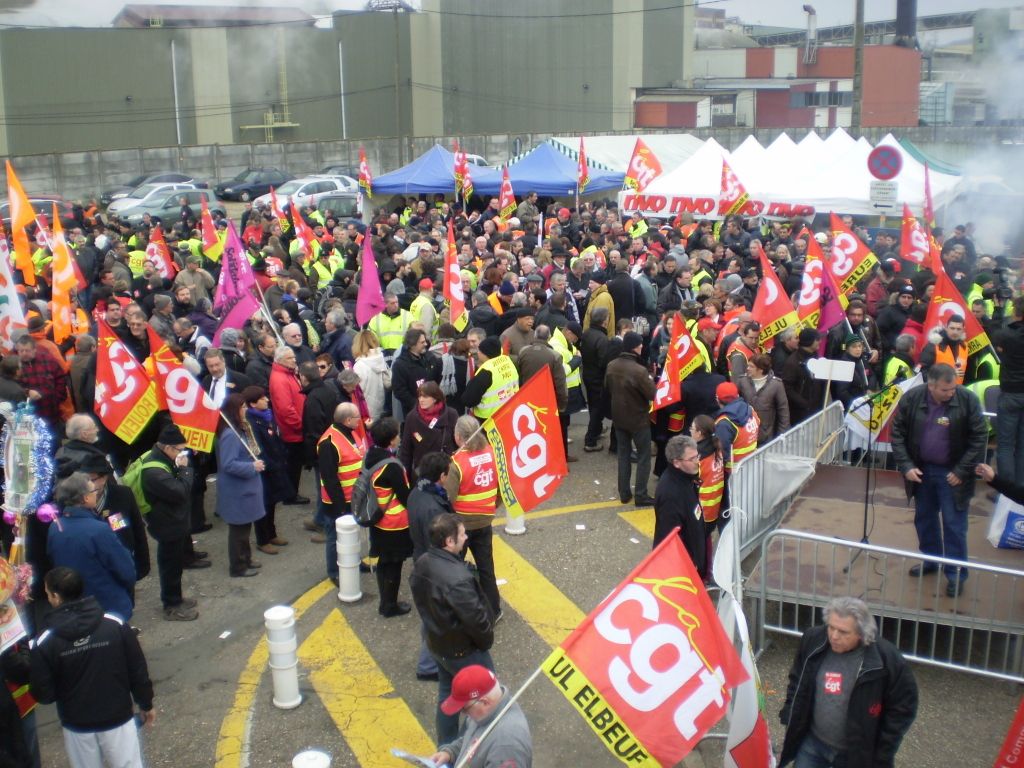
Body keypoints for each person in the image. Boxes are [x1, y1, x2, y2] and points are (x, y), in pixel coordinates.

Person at [31, 568, 155, 768]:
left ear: (56, 596)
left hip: (77, 725)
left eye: (47, 593)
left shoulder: (44, 642)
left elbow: (44, 694)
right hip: (118, 718)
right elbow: (137, 669)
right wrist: (146, 703)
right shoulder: (115, 625)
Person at [778, 596, 918, 768]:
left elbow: (902, 708)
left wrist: (883, 752)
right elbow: (797, 680)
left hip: (854, 756)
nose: (834, 636)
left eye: (843, 632)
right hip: (813, 745)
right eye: (831, 627)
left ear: (861, 633)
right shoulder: (813, 640)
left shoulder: (886, 660)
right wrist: (790, 714)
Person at [890, 363, 988, 597]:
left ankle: (955, 575)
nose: (951, 393)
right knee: (925, 520)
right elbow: (897, 432)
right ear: (931, 386)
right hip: (921, 472)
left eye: (953, 388)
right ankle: (931, 561)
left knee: (954, 526)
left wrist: (962, 471)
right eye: (946, 390)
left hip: (953, 475)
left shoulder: (966, 399)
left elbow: (979, 437)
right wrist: (906, 466)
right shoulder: (913, 397)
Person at [410, 513, 495, 745]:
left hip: (438, 645)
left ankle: (446, 748)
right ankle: (475, 748)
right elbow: (477, 622)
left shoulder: (423, 562)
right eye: (461, 534)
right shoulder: (458, 579)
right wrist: (486, 643)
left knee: (447, 696)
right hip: (465, 653)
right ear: (449, 541)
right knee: (486, 699)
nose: (466, 537)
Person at [47, 473, 137, 622]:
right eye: (93, 491)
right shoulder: (99, 530)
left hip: (74, 608)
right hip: (107, 606)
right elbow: (126, 571)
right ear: (86, 498)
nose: (96, 494)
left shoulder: (55, 527)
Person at [141, 423, 201, 621]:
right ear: (167, 448)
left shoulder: (163, 458)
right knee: (170, 566)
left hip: (173, 521)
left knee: (176, 565)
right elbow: (180, 492)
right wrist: (184, 470)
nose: (182, 453)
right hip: (166, 525)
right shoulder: (154, 471)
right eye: (180, 449)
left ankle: (177, 598)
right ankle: (171, 605)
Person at [444, 415, 501, 618]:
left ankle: (458, 612)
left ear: (458, 436)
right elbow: (502, 488)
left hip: (462, 524)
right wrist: (491, 506)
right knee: (486, 568)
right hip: (485, 518)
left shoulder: (456, 462)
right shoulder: (492, 453)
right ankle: (494, 610)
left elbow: (449, 497)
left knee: (455, 568)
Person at [406, 451, 455, 681]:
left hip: (421, 559)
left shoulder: (418, 491)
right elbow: (436, 545)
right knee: (435, 617)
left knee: (431, 615)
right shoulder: (433, 509)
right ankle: (427, 665)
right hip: (432, 567)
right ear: (442, 476)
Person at [430, 665, 532, 768]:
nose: (463, 714)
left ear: (484, 703)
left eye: (465, 709)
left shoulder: (505, 745)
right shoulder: (485, 712)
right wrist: (450, 753)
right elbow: (471, 741)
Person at [365, 417, 415, 617]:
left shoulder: (371, 455)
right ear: (392, 440)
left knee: (384, 561)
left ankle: (385, 601)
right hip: (394, 523)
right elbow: (404, 496)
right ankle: (390, 605)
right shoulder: (392, 465)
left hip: (377, 519)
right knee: (395, 563)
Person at [217, 393, 267, 578]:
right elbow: (228, 463)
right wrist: (251, 466)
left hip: (244, 489)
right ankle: (238, 566)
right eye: (243, 406)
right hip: (238, 491)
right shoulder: (230, 434)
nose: (246, 409)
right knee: (239, 531)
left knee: (245, 529)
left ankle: (246, 558)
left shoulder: (236, 429)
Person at [317, 403, 367, 585]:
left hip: (353, 497)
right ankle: (334, 571)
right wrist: (340, 507)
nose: (359, 420)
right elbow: (330, 479)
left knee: (352, 533)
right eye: (357, 418)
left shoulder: (349, 432)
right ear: (348, 420)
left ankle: (355, 561)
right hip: (337, 501)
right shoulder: (328, 443)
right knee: (334, 537)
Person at [605, 331, 655, 507]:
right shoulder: (639, 370)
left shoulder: (611, 365)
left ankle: (624, 493)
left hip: (619, 417)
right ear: (635, 347)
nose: (642, 347)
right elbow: (652, 393)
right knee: (643, 457)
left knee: (623, 455)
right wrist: (651, 379)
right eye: (640, 344)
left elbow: (607, 386)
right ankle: (641, 494)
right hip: (638, 419)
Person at [244, 386, 293, 555]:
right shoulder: (252, 423)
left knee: (272, 503)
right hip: (266, 469)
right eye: (262, 398)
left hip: (276, 464)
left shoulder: (267, 416)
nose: (266, 400)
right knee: (264, 504)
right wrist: (271, 464)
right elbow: (257, 448)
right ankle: (263, 540)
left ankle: (272, 534)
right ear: (252, 403)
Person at [653, 436, 708, 580]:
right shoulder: (670, 494)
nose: (698, 462)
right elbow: (671, 539)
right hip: (682, 572)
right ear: (677, 462)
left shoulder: (686, 478)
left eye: (697, 456)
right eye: (692, 459)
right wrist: (691, 565)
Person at [268, 344, 309, 506]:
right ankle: (290, 495)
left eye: (293, 357)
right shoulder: (280, 378)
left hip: (295, 429)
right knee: (293, 465)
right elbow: (286, 410)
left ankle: (291, 493)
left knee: (294, 464)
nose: (294, 360)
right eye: (290, 358)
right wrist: (301, 426)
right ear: (279, 360)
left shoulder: (286, 374)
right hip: (293, 431)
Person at [993, 296, 1024, 485]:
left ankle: (1006, 493)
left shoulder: (1009, 336)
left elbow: (994, 331)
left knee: (1005, 446)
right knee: (1022, 447)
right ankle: (1020, 492)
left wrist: (998, 309)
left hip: (1010, 394)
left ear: (1016, 313)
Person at [400, 382, 458, 477]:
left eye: (425, 397)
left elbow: (458, 444)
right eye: (419, 396)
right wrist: (406, 479)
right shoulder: (412, 417)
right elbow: (406, 451)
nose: (421, 400)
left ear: (435, 398)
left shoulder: (451, 414)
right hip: (423, 473)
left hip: (446, 472)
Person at [736, 353, 791, 444]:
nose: (747, 369)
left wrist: (783, 433)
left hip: (766, 434)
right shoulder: (742, 381)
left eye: (751, 366)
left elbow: (783, 409)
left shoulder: (776, 384)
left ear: (761, 369)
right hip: (746, 431)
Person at [462, 337, 520, 420]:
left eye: (479, 351)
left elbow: (468, 400)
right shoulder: (508, 361)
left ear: (486, 354)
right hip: (510, 412)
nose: (478, 353)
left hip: (488, 420)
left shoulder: (486, 371)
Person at [391, 328, 441, 422]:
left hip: (434, 409)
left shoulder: (429, 358)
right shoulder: (401, 365)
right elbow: (400, 391)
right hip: (414, 413)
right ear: (412, 345)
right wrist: (418, 404)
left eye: (425, 341)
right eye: (422, 342)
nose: (425, 344)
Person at [15, 335, 66, 427]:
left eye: (27, 350)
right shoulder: (15, 366)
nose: (24, 354)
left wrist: (56, 398)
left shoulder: (48, 360)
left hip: (51, 413)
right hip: (28, 417)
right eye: (21, 351)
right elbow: (12, 387)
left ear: (34, 349)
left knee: (55, 440)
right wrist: (28, 392)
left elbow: (61, 378)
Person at [580, 306, 611, 451]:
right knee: (597, 409)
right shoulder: (602, 338)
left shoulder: (587, 333)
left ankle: (597, 430)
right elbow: (604, 361)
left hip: (588, 374)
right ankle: (590, 440)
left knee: (593, 405)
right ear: (604, 321)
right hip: (598, 378)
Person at [782, 328, 825, 425]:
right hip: (801, 413)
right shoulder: (793, 362)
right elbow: (786, 387)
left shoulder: (815, 356)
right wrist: (804, 404)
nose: (820, 342)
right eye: (817, 340)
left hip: (816, 408)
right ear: (809, 342)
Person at [714, 382, 759, 473]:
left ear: (717, 400)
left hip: (733, 472)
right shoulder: (749, 409)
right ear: (737, 396)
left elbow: (721, 452)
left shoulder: (724, 422)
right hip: (751, 464)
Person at [691, 416, 725, 536]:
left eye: (692, 428)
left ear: (699, 433)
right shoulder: (716, 448)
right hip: (713, 509)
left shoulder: (698, 456)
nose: (690, 430)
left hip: (701, 511)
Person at [353, 329, 391, 421]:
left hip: (364, 409)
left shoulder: (360, 365)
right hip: (379, 406)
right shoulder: (380, 360)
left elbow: (358, 390)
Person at [919, 314, 969, 383]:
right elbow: (922, 374)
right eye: (952, 328)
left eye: (958, 329)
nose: (955, 332)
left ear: (963, 329)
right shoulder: (933, 346)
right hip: (936, 391)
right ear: (946, 327)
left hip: (957, 390)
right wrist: (948, 376)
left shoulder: (964, 346)